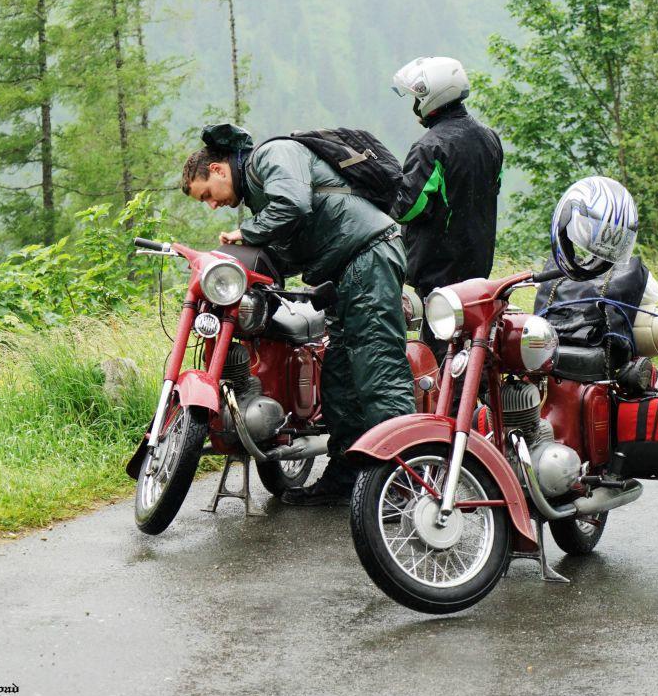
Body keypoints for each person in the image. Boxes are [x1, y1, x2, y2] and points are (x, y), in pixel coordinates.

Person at [181, 123, 414, 505]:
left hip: (368, 255)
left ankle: (406, 483)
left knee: (378, 373)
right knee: (339, 381)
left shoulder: (273, 155)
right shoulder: (259, 193)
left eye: (207, 193)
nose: (212, 204)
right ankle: (345, 476)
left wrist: (248, 231)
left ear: (219, 169)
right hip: (344, 271)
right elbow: (294, 242)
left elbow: (294, 203)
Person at [389, 56, 504, 363]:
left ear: (432, 96)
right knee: (475, 349)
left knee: (443, 359)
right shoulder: (490, 138)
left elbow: (407, 208)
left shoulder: (431, 147)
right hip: (478, 271)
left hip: (439, 273)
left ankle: (448, 411)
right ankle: (479, 407)